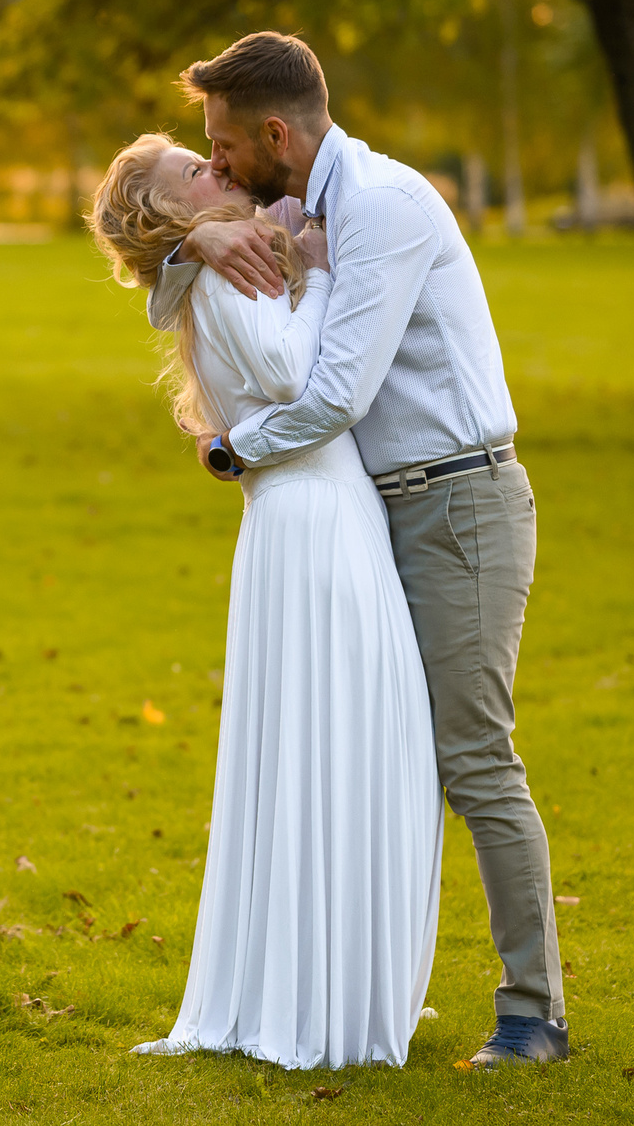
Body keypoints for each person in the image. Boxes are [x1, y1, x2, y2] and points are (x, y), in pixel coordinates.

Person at [153, 31, 567, 1068]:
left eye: (221, 145)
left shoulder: (379, 206)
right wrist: (189, 241)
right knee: (384, 750)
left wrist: (228, 452)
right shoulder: (306, 208)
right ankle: (363, 989)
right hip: (387, 509)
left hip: (458, 502)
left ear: (275, 133)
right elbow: (172, 275)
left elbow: (333, 391)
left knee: (472, 756)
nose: (217, 166)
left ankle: (533, 1013)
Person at [92, 135, 443, 1069]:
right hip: (312, 518)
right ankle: (314, 996)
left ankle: (332, 977)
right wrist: (322, 279)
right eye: (193, 172)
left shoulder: (225, 258)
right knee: (332, 739)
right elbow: (294, 377)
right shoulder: (215, 277)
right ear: (172, 216)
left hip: (317, 510)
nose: (220, 170)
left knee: (350, 737)